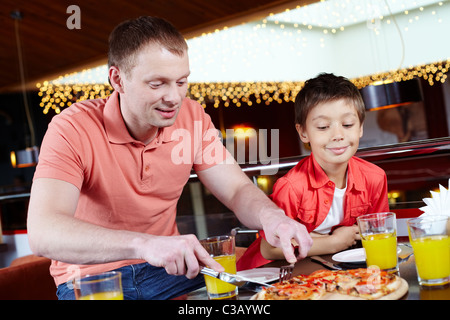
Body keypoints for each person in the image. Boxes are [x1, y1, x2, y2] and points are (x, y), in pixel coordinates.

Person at [26, 16, 312, 300]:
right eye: (157, 84)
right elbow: (43, 232)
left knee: (289, 289)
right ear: (117, 79)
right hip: (95, 281)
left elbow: (237, 190)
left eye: (181, 81)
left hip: (170, 275)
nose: (174, 97)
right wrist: (146, 245)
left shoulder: (192, 117)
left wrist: (273, 217)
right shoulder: (73, 127)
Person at [237, 73, 389, 271]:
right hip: (273, 274)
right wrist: (333, 242)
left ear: (360, 126)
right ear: (303, 133)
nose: (338, 135)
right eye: (323, 127)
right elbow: (269, 249)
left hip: (332, 271)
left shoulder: (375, 178)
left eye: (348, 124)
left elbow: (378, 234)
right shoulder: (291, 187)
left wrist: (318, 238)